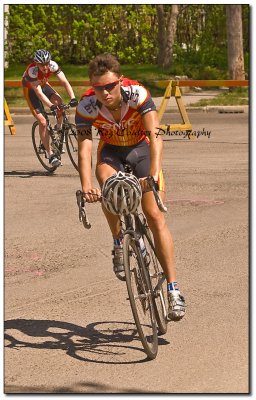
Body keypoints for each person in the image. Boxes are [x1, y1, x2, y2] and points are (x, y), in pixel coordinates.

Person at [75, 53, 185, 321]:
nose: (105, 93)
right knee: (106, 183)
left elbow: (155, 136)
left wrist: (154, 174)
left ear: (120, 81)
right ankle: (117, 241)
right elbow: (84, 149)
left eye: (110, 86)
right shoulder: (87, 105)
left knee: (155, 216)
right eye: (98, 88)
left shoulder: (137, 94)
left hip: (141, 150)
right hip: (111, 152)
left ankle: (173, 289)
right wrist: (87, 185)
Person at [22, 49, 78, 167]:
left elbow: (64, 82)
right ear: (36, 64)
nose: (45, 66)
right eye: (42, 64)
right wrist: (51, 106)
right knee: (42, 122)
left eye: (47, 63)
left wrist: (73, 98)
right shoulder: (32, 71)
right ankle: (50, 154)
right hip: (31, 91)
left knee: (61, 104)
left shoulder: (53, 65)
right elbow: (39, 93)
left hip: (44, 85)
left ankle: (58, 129)